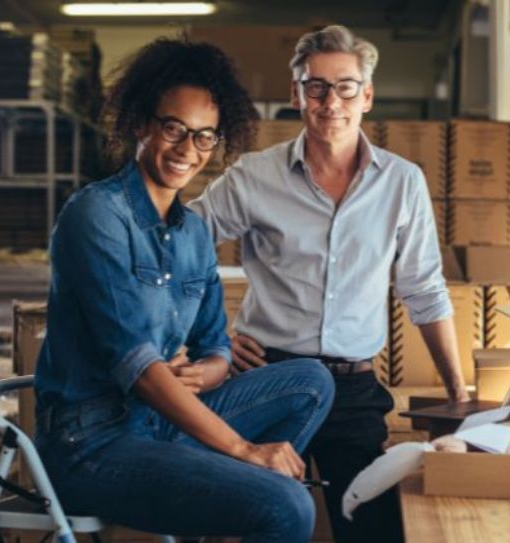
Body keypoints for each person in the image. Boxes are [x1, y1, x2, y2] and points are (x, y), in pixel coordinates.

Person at [33, 37, 335, 542]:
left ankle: (230, 498)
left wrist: (199, 373)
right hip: (90, 443)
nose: (186, 150)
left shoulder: (193, 231)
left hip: (158, 424)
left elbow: (216, 345)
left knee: (311, 381)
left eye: (204, 137)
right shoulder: (97, 216)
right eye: (174, 128)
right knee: (288, 507)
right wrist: (241, 449)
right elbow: (138, 368)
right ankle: (248, 496)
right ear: (140, 124)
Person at [189, 25, 470, 543]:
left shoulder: (402, 182)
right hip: (269, 378)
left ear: (366, 95)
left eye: (344, 86)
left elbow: (424, 289)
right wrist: (213, 340)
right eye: (314, 86)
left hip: (354, 388)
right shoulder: (255, 176)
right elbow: (177, 249)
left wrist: (458, 390)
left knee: (373, 529)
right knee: (250, 525)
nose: (329, 100)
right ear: (297, 95)